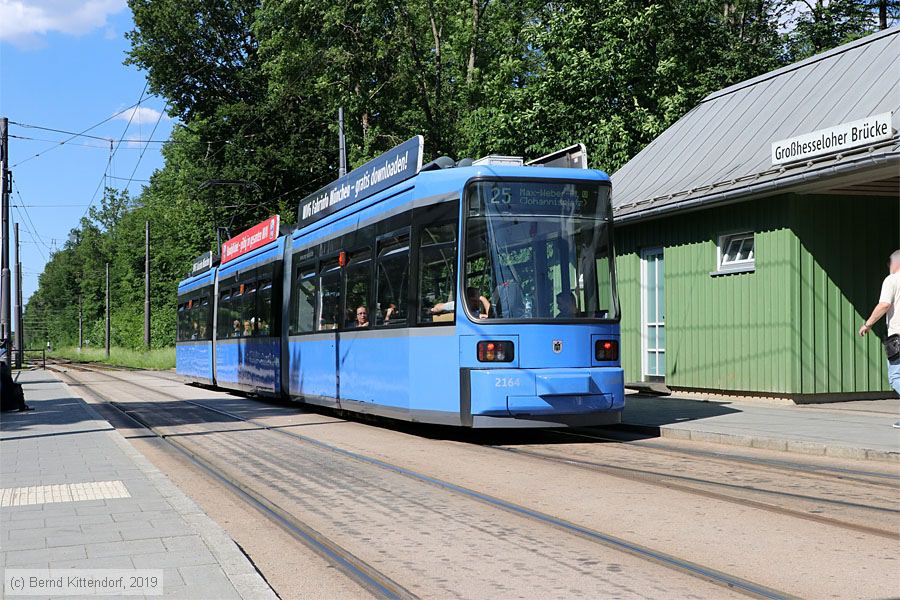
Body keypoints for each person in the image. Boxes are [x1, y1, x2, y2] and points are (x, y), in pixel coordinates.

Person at [859, 249, 900, 428]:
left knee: (895, 376)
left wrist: (867, 324)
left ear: (895, 263)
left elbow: (884, 304)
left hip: (898, 335)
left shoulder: (892, 280)